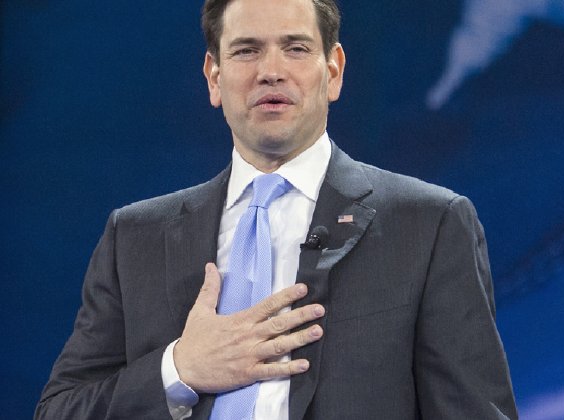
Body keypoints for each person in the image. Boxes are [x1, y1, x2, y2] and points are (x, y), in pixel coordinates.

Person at [35, 0, 517, 418]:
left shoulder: (429, 225)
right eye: (246, 50)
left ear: (333, 71)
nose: (271, 70)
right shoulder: (134, 237)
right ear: (214, 77)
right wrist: (179, 369)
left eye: (296, 48)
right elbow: (60, 409)